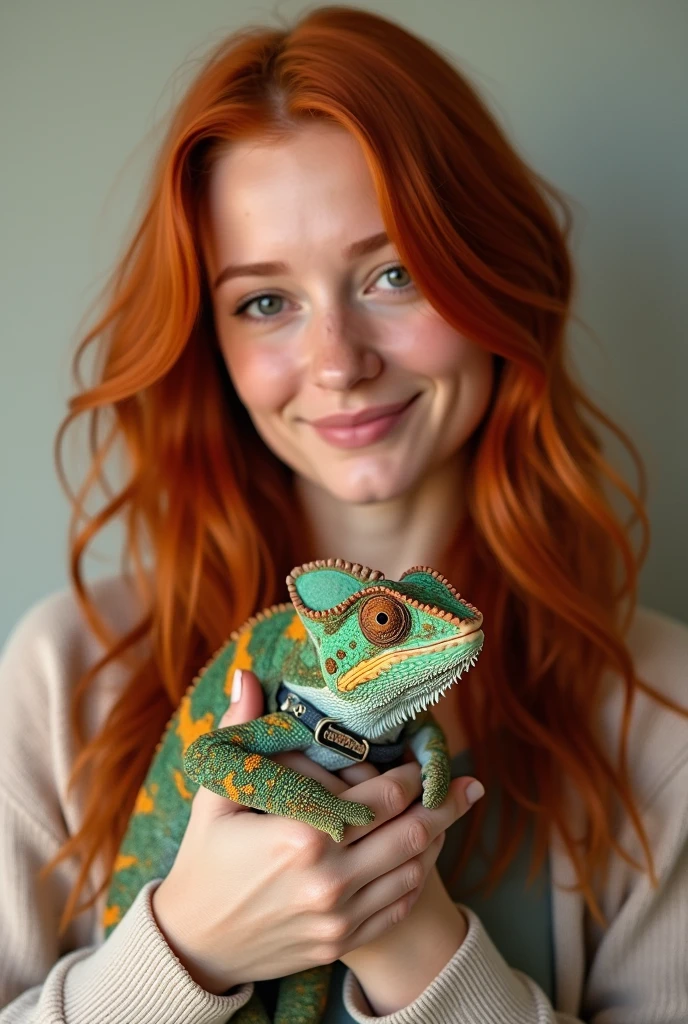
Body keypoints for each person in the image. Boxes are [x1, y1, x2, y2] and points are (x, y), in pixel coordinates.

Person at [1, 5, 687, 1022]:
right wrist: (184, 952)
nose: (338, 363)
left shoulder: (661, 707)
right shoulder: (67, 672)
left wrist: (411, 935)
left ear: (494, 278)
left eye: (393, 273)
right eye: (265, 302)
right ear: (212, 344)